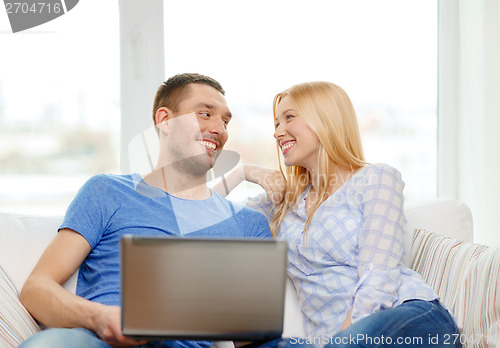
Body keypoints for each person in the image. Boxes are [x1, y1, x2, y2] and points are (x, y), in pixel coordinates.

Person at [19, 73, 271, 348]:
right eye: (205, 114)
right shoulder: (107, 191)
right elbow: (36, 289)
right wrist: (101, 317)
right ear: (165, 120)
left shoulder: (248, 224)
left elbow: (251, 336)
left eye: (224, 121)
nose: (219, 129)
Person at [217, 81, 461, 347]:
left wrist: (343, 341)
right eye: (276, 123)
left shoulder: (376, 179)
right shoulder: (283, 202)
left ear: (325, 120)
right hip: (332, 341)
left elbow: (377, 279)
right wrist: (241, 173)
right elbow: (198, 219)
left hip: (406, 319)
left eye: (289, 118)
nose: (278, 132)